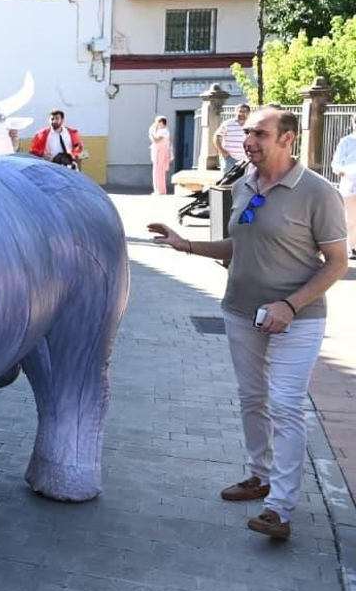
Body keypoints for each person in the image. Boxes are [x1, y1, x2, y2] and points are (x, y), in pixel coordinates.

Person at [149, 106, 347, 541]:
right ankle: (260, 476)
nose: (249, 141)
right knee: (252, 398)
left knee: (285, 404)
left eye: (259, 134)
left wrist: (290, 306)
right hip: (241, 311)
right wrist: (186, 245)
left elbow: (336, 263)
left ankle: (279, 507)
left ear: (287, 138)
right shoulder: (245, 183)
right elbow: (237, 244)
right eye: (247, 133)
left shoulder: (317, 192)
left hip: (297, 318)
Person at [329, 130, 356, 260]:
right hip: (350, 185)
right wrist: (341, 171)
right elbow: (336, 164)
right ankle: (352, 248)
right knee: (351, 219)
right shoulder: (346, 141)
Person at [213, 102, 249, 173]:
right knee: (227, 179)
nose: (242, 113)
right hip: (229, 159)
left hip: (245, 160)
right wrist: (222, 152)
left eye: (244, 111)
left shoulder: (251, 125)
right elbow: (216, 137)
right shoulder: (228, 123)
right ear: (236, 112)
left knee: (243, 179)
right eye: (240, 111)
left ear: (248, 113)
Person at [149, 115, 172, 195]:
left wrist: (151, 133)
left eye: (157, 122)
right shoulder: (161, 131)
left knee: (158, 172)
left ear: (161, 122)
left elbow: (156, 140)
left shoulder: (164, 131)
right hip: (158, 153)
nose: (156, 124)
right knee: (158, 172)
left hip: (161, 153)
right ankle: (159, 190)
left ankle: (160, 191)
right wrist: (153, 131)